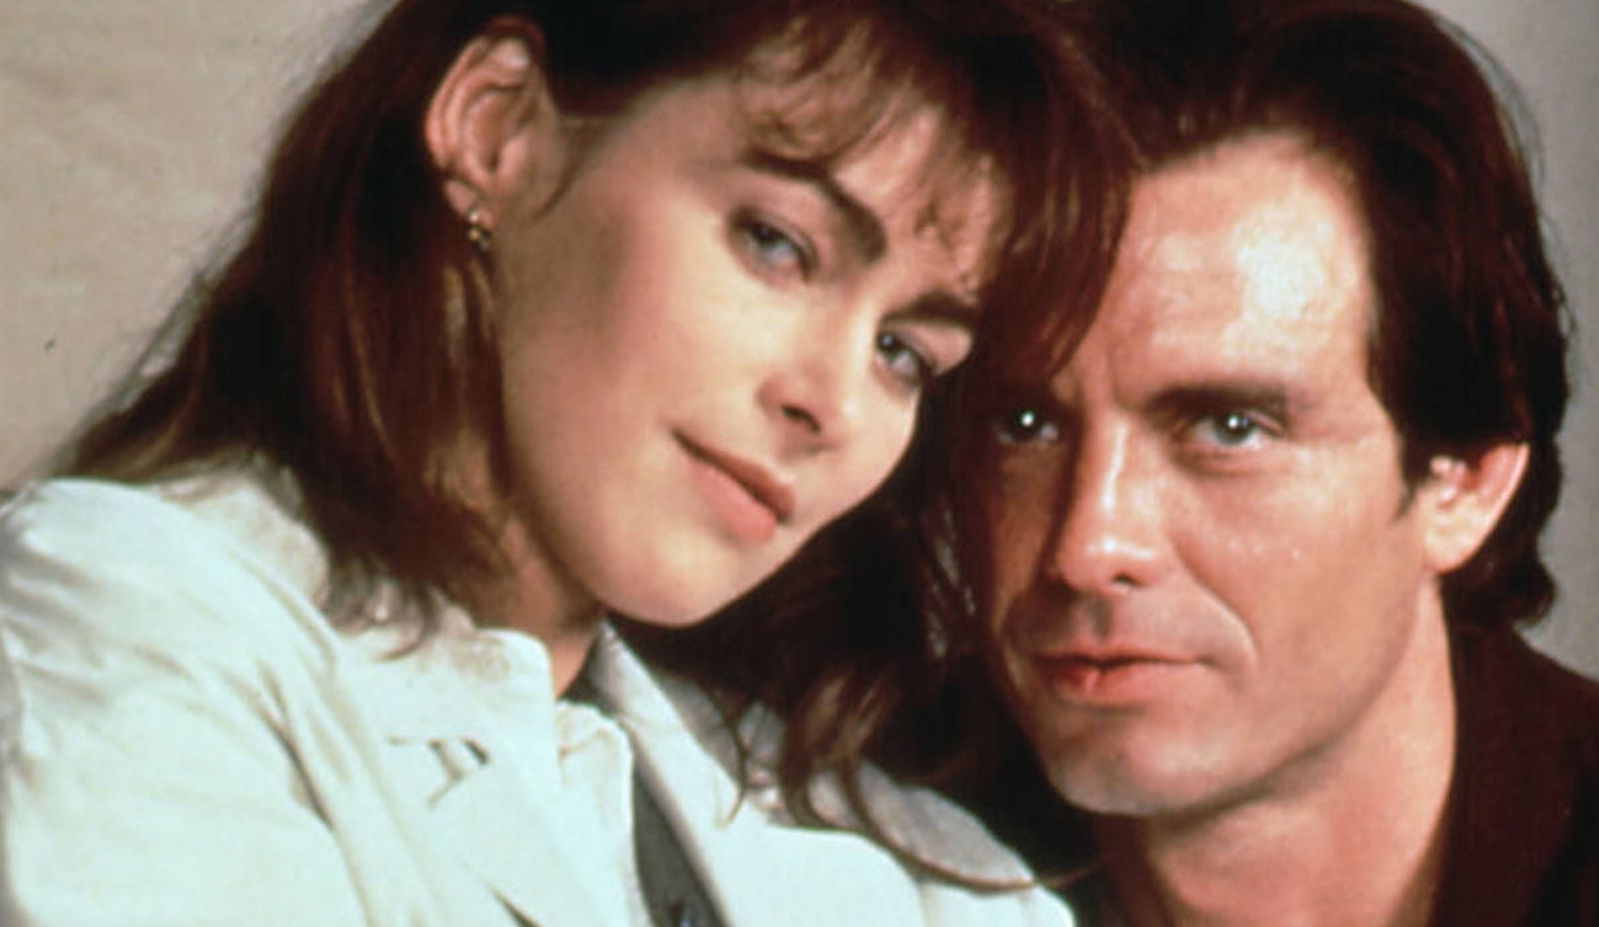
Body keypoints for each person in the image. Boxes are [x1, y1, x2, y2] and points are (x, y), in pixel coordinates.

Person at [0, 0, 1130, 924]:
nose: (831, 404)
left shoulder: (911, 869)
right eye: (777, 244)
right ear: (496, 129)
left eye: (903, 353)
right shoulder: (122, 621)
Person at [937, 0, 1599, 923]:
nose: (1088, 545)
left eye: (1229, 429)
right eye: (1025, 424)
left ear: (1465, 480)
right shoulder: (816, 848)